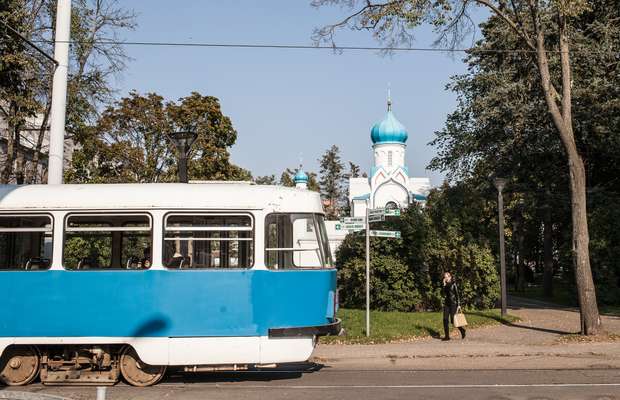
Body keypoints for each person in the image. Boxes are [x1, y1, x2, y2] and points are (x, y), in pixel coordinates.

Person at [442, 271, 466, 341]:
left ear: (450, 277)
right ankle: (447, 336)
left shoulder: (453, 284)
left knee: (453, 320)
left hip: (453, 304)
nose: (445, 278)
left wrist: (458, 305)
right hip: (447, 304)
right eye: (444, 277)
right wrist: (443, 284)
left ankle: (462, 330)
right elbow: (443, 294)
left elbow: (457, 295)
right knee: (445, 319)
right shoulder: (445, 285)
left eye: (446, 277)